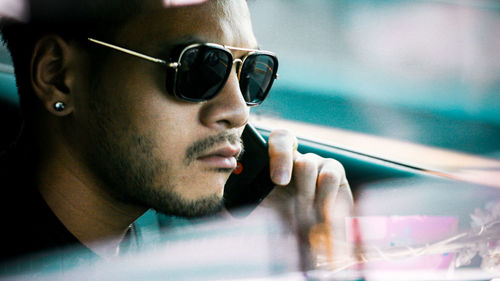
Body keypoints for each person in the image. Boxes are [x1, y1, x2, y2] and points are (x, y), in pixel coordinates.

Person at [0, 0, 352, 273]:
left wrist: (268, 247)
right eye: (199, 68)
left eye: (251, 72)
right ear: (58, 76)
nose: (239, 110)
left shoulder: (178, 234)